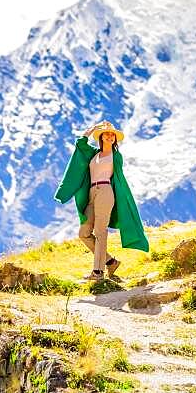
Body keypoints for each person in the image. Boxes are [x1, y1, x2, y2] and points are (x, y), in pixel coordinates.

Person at [53, 119, 150, 280]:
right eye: (107, 134)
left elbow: (118, 179)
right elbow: (80, 144)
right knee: (84, 233)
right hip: (92, 193)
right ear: (101, 136)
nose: (110, 137)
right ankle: (110, 261)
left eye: (113, 135)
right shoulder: (94, 154)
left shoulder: (116, 157)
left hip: (105, 192)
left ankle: (97, 272)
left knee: (100, 231)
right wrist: (93, 128)